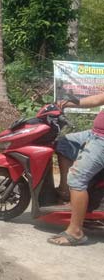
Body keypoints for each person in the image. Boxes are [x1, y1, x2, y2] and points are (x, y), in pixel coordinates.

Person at [47, 92, 104, 246]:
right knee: (64, 143)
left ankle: (75, 232)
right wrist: (68, 103)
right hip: (95, 134)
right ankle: (66, 193)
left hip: (102, 141)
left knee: (77, 178)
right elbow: (99, 98)